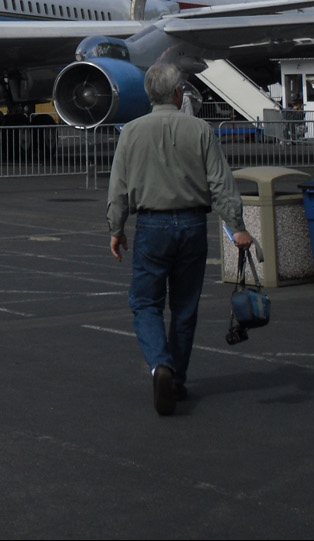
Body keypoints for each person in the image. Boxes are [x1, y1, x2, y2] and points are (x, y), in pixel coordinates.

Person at [107, 62, 251, 416]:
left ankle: (161, 365)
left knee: (145, 303)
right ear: (177, 93)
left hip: (152, 226)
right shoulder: (200, 130)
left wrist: (116, 227)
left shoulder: (131, 132)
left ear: (149, 94)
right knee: (184, 308)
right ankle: (178, 378)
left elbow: (119, 188)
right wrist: (237, 226)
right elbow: (220, 183)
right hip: (191, 224)